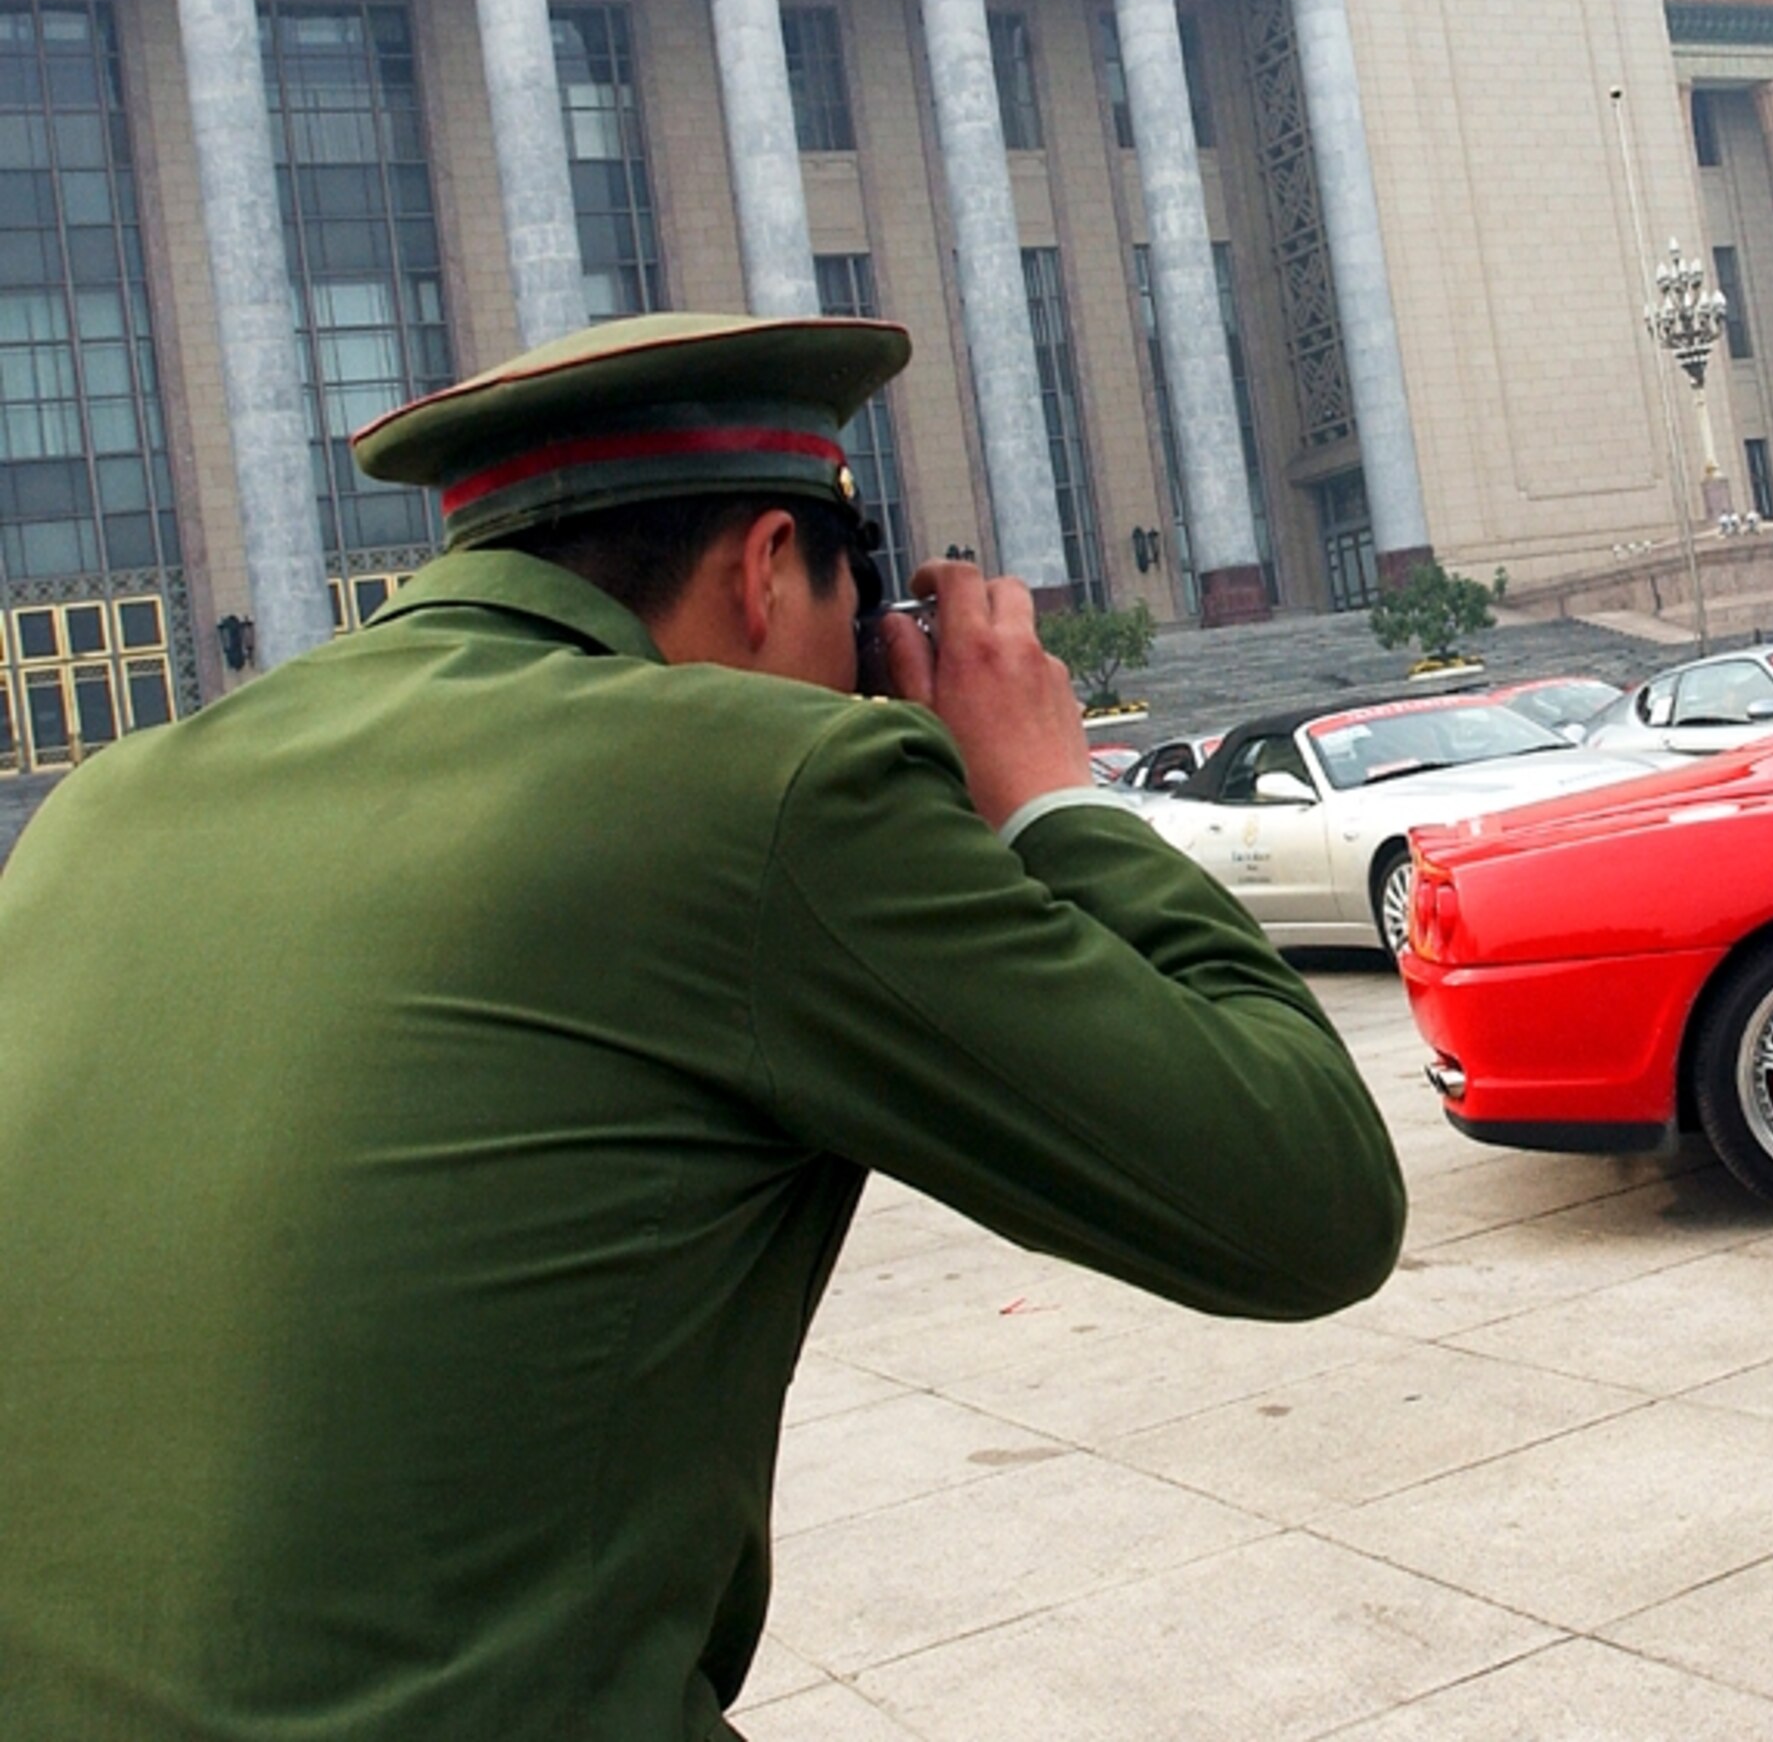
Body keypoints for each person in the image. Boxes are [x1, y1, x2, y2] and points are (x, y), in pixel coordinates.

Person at [0, 311, 1407, 1738]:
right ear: (759, 572)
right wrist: (1053, 791)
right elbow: (1310, 1197)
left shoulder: (100, 808)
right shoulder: (759, 781)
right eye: (854, 617)